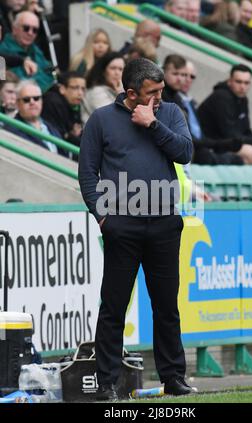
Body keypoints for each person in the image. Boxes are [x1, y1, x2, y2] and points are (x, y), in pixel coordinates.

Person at [78, 58, 195, 400]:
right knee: (114, 306)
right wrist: (103, 217)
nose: (159, 97)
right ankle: (107, 384)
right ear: (131, 93)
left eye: (160, 91)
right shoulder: (101, 120)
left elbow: (185, 152)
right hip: (122, 226)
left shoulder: (169, 113)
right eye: (152, 93)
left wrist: (154, 122)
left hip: (164, 223)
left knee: (166, 305)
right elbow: (88, 174)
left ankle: (174, 377)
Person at [197, 63, 252, 164]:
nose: (242, 86)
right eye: (238, 82)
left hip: (229, 142)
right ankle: (243, 180)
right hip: (213, 144)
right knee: (249, 152)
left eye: (246, 83)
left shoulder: (243, 99)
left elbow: (246, 131)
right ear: (230, 81)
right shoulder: (221, 97)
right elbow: (229, 134)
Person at [0, 11, 55, 92]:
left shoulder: (35, 49)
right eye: (26, 28)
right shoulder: (3, 50)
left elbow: (50, 72)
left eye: (35, 30)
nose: (30, 33)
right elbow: (13, 83)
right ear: (14, 29)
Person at [5, 79, 61, 153]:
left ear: (41, 101)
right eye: (26, 99)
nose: (32, 102)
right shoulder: (11, 130)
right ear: (17, 104)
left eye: (36, 98)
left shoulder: (52, 128)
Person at [42, 71, 86, 157]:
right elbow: (60, 135)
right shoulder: (53, 102)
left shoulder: (74, 105)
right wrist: (70, 135)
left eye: (83, 89)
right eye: (75, 88)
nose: (80, 93)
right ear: (62, 89)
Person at [82, 52, 125, 123]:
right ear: (103, 71)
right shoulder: (96, 92)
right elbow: (110, 119)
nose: (117, 73)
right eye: (113, 68)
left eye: (120, 69)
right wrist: (121, 96)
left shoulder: (117, 90)